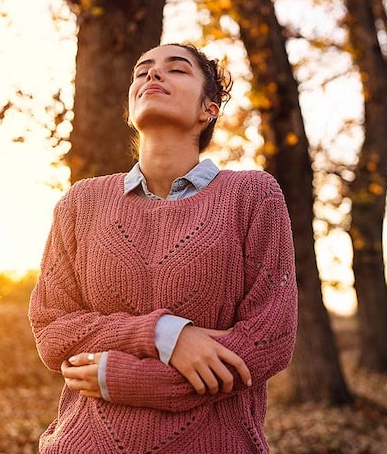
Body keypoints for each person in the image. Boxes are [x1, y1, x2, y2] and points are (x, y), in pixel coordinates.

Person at [28, 43, 297, 454]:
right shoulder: (81, 203)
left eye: (177, 70)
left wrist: (126, 379)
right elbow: (53, 331)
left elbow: (269, 340)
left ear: (209, 108)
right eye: (142, 71)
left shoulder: (252, 196)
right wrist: (164, 334)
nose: (153, 76)